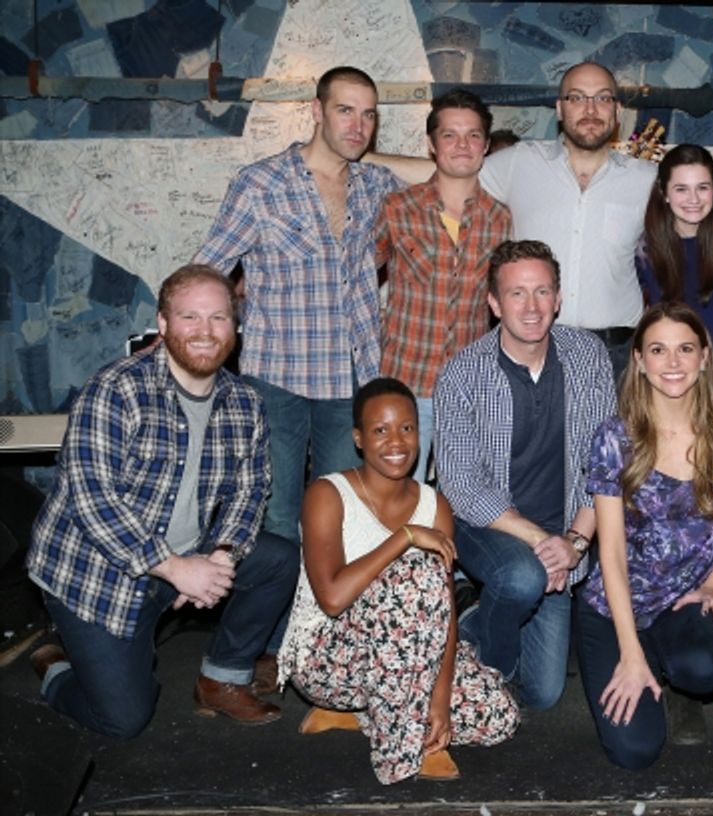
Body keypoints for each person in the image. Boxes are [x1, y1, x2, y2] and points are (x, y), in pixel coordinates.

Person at [26, 265, 297, 737]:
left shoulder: (244, 402)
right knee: (123, 719)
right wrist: (176, 568)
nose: (205, 331)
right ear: (164, 323)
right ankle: (55, 664)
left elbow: (250, 490)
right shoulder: (116, 388)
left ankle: (221, 678)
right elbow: (94, 499)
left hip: (185, 556)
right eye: (189, 317)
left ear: (235, 327)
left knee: (280, 559)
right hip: (95, 573)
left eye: (218, 318)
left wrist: (220, 557)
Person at [194, 65, 401, 550]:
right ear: (316, 111)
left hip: (350, 379)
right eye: (344, 111)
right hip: (278, 379)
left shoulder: (377, 185)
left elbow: (439, 174)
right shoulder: (260, 184)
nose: (357, 126)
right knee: (277, 520)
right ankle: (276, 625)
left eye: (368, 116)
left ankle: (320, 625)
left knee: (336, 521)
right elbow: (207, 271)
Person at [276, 378, 519, 784]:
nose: (396, 442)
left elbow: (445, 611)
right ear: (358, 438)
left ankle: (369, 712)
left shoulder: (433, 503)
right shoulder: (327, 494)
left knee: (497, 717)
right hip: (328, 658)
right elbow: (333, 598)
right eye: (380, 430)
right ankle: (405, 747)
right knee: (416, 572)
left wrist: (440, 698)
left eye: (406, 428)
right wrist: (404, 538)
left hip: (408, 654)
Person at [368, 62, 657, 379]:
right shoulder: (522, 162)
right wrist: (363, 158)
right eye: (577, 98)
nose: (590, 109)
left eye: (602, 98)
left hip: (615, 354)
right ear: (560, 109)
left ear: (617, 110)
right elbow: (453, 171)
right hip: (536, 347)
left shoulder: (647, 179)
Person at [433, 240, 616, 710]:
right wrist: (543, 543)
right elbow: (460, 484)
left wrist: (574, 543)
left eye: (542, 292)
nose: (531, 307)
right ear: (494, 303)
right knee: (519, 580)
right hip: (490, 527)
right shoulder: (463, 372)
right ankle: (481, 674)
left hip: (565, 536)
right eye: (516, 294)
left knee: (542, 693)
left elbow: (604, 462)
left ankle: (475, 621)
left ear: (558, 299)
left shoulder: (589, 356)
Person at [575, 302, 713, 769]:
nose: (672, 363)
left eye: (684, 349)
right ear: (638, 360)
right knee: (634, 751)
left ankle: (672, 671)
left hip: (686, 600)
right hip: (614, 608)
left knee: (705, 669)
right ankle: (646, 660)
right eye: (658, 350)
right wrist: (629, 653)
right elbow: (609, 553)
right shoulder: (615, 437)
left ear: (704, 356)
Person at [374, 88, 511, 483]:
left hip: (470, 386)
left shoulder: (500, 219)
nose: (462, 145)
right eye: (450, 135)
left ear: (485, 146)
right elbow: (355, 280)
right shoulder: (397, 208)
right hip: (404, 381)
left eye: (472, 135)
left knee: (463, 498)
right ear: (432, 145)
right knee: (397, 497)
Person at [636, 145, 713, 390]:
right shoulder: (644, 254)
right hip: (667, 381)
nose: (693, 199)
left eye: (702, 188)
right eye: (681, 189)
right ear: (664, 193)